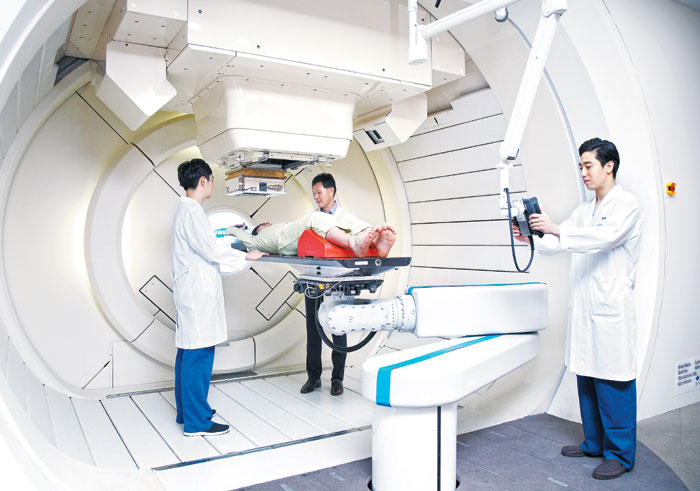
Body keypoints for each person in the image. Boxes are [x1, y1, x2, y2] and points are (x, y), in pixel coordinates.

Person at [513, 138, 643, 480]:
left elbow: (604, 238)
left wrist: (556, 228)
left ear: (609, 166)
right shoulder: (585, 210)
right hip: (586, 307)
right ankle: (594, 443)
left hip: (610, 307)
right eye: (581, 166)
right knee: (587, 377)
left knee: (614, 381)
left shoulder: (626, 205)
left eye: (589, 165)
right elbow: (560, 243)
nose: (583, 172)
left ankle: (620, 454)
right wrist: (531, 236)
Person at [172, 158, 266, 437]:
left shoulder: (187, 210)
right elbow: (210, 250)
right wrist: (246, 255)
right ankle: (197, 422)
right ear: (204, 180)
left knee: (187, 353)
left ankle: (186, 411)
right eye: (212, 179)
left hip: (191, 292)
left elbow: (206, 244)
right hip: (196, 294)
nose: (212, 183)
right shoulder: (192, 212)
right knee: (199, 355)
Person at [226, 211, 396, 258]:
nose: (268, 222)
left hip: (292, 233)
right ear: (259, 229)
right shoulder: (256, 240)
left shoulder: (273, 229)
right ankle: (354, 243)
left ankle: (374, 241)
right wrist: (234, 229)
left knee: (340, 217)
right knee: (313, 217)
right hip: (284, 240)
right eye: (264, 224)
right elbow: (232, 231)